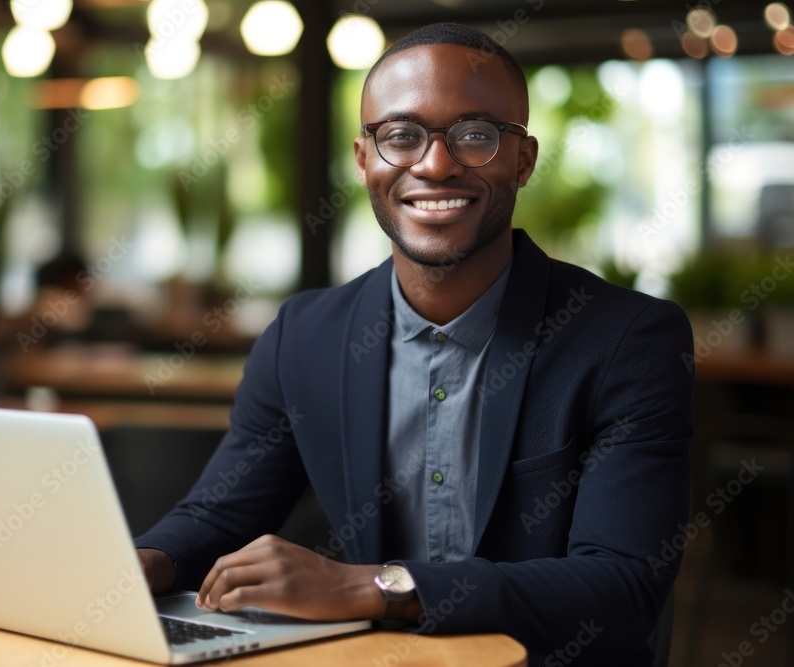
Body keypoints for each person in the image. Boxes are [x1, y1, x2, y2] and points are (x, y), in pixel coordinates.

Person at [135, 23, 693, 667]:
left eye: (476, 135)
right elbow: (217, 516)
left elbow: (622, 588)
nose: (433, 164)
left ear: (524, 159)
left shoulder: (628, 341)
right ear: (364, 158)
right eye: (400, 136)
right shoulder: (304, 336)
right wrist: (143, 563)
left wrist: (369, 586)